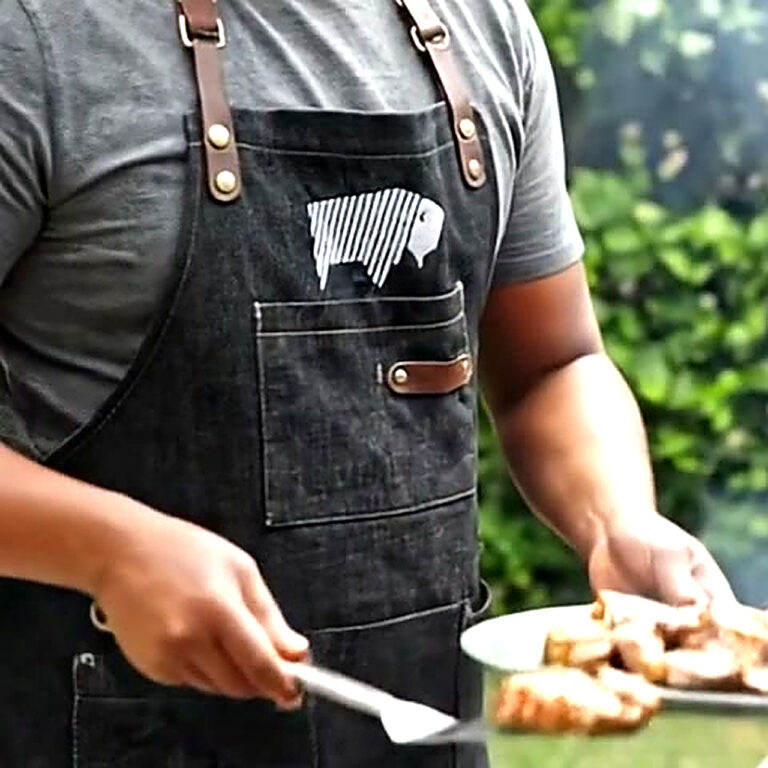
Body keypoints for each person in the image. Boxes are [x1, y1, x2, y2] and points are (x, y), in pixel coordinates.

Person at [0, 0, 735, 765]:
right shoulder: (36, 39)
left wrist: (616, 521)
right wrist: (107, 552)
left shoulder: (486, 23)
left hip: (425, 731)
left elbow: (554, 365)